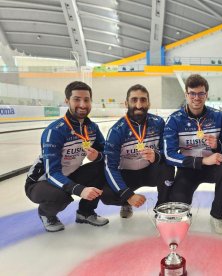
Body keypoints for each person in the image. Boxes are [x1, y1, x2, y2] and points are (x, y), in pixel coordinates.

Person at [25, 81, 109, 232]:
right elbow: (52, 173)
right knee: (61, 195)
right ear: (67, 101)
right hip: (41, 181)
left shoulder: (92, 128)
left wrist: (98, 156)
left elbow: (107, 154)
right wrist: (78, 189)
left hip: (69, 174)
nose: (83, 105)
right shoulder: (55, 131)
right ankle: (45, 213)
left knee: (102, 167)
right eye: (77, 99)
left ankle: (85, 212)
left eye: (86, 99)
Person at [164, 74, 222, 234]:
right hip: (187, 170)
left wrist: (218, 145)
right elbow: (169, 155)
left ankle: (216, 215)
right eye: (192, 93)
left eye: (201, 93)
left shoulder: (218, 117)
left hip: (213, 168)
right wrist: (202, 161)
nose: (197, 98)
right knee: (178, 209)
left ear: (206, 95)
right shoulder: (175, 120)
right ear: (186, 95)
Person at [101, 84, 175, 218]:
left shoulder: (158, 123)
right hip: (127, 175)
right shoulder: (117, 131)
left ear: (149, 103)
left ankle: (161, 208)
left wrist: (157, 156)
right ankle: (126, 202)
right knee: (106, 195)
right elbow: (110, 167)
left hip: (150, 171)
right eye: (134, 100)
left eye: (143, 100)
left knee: (167, 165)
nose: (139, 105)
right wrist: (127, 195)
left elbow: (169, 151)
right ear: (126, 103)